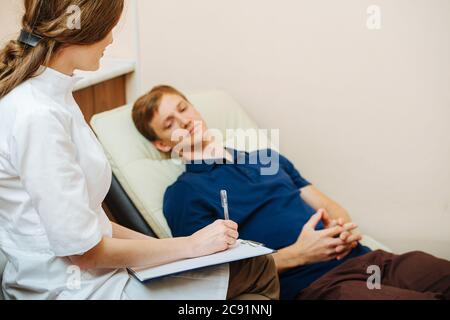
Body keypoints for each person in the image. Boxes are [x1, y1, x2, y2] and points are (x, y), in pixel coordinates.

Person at [0, 0, 279, 300]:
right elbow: (84, 253)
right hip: (74, 289)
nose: (110, 40)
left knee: (256, 267)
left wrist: (181, 249)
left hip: (96, 274)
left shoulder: (55, 95)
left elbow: (96, 225)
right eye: (107, 30)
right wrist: (190, 247)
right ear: (78, 32)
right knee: (255, 274)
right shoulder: (36, 115)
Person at [132, 84, 450, 300]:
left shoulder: (264, 158)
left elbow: (328, 205)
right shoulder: (184, 195)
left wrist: (342, 229)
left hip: (368, 259)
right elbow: (215, 277)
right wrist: (301, 253)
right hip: (317, 285)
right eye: (169, 123)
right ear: (163, 144)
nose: (184, 122)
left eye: (183, 109)